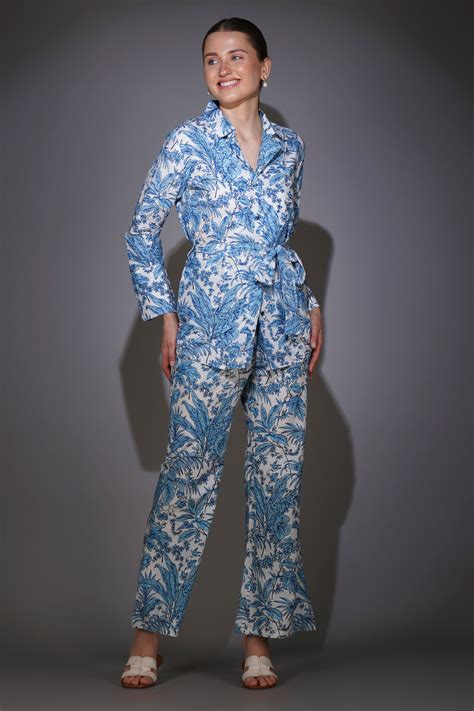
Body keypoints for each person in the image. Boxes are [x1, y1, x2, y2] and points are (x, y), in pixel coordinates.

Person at [120, 16, 323, 691]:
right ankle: (146, 637)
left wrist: (310, 303)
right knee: (188, 477)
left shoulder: (291, 148)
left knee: (275, 486)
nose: (224, 68)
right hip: (209, 328)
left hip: (282, 330)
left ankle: (257, 643)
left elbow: (280, 239)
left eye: (238, 56)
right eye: (212, 59)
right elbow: (141, 231)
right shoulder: (187, 142)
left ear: (265, 67)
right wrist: (166, 314)